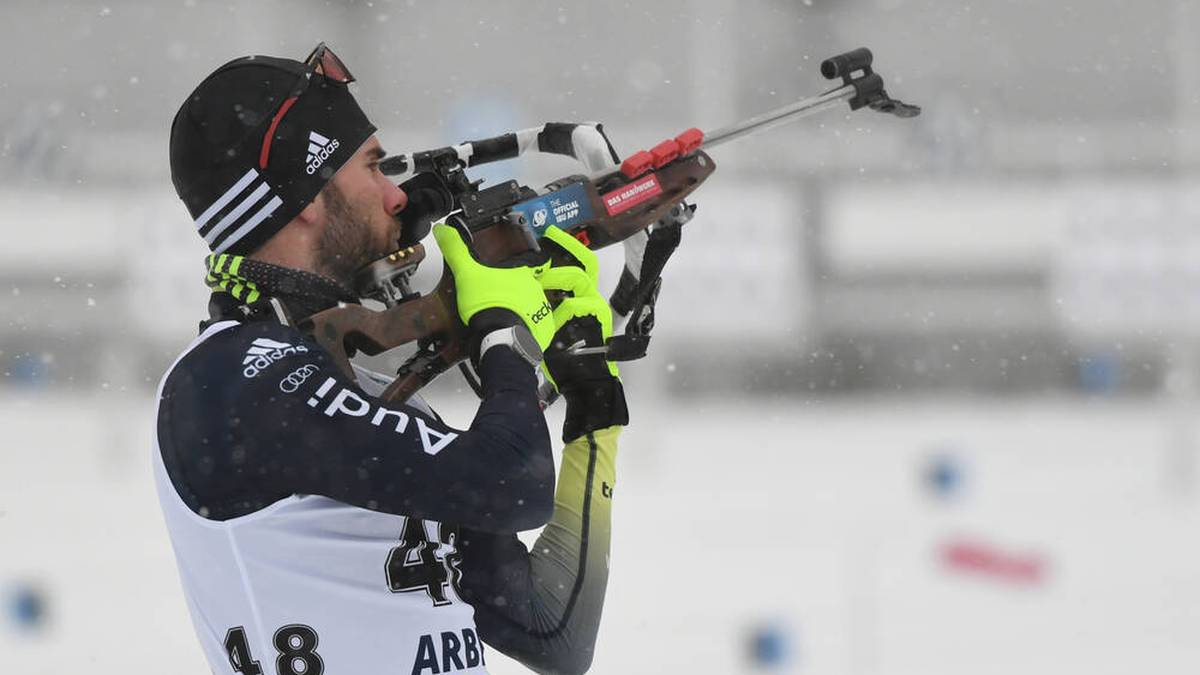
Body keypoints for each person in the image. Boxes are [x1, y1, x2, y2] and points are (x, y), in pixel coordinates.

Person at [157, 43, 628, 675]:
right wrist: (500, 330)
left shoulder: (362, 386)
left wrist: (592, 397)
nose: (396, 196)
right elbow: (509, 483)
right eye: (373, 169)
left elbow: (552, 631)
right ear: (308, 195)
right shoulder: (230, 379)